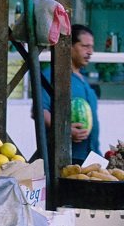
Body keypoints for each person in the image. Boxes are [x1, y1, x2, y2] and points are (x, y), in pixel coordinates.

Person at [41, 24, 100, 164]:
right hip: (66, 158)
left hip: (91, 156)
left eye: (92, 47)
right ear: (70, 46)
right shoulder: (53, 75)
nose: (90, 52)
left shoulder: (83, 78)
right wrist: (66, 130)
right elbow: (41, 111)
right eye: (85, 46)